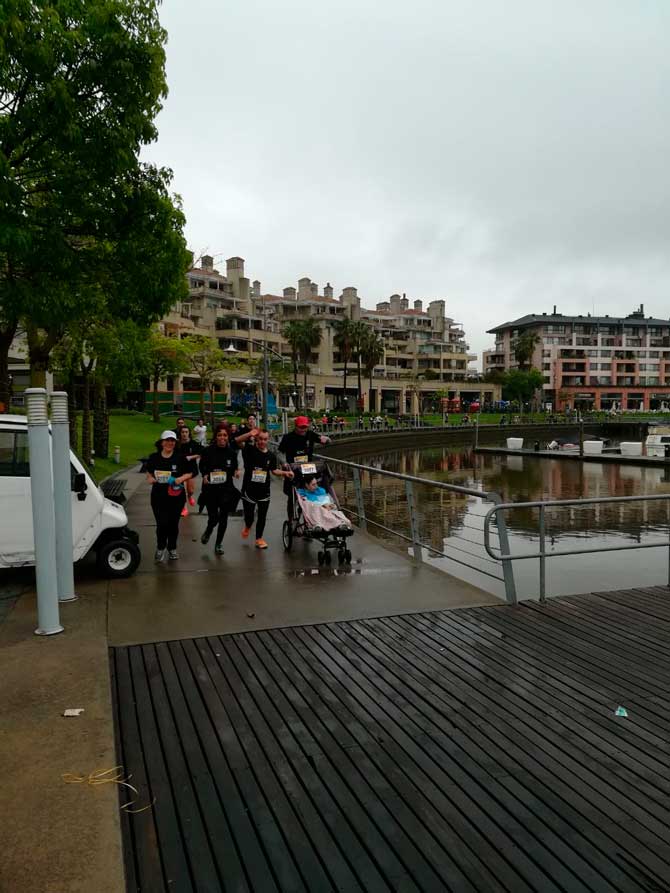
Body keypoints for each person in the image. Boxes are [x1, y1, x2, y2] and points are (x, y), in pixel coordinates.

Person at [236, 427, 293, 549]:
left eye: (265, 439)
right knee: (250, 517)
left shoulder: (271, 456)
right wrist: (249, 434)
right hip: (249, 490)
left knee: (262, 516)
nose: (262, 442)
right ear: (256, 439)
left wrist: (285, 473)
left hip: (264, 491)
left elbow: (274, 470)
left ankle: (259, 539)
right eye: (260, 439)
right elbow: (237, 441)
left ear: (268, 440)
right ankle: (247, 526)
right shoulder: (249, 450)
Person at [145, 431, 194, 561]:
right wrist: (150, 478)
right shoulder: (154, 457)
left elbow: (191, 473)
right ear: (161, 442)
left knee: (173, 524)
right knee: (161, 524)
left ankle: (172, 548)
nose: (169, 443)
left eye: (172, 441)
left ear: (175, 443)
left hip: (176, 497)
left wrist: (181, 478)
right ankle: (160, 547)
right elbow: (149, 472)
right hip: (158, 497)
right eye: (167, 440)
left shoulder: (180, 458)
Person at [198, 427, 240, 554]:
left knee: (223, 518)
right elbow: (202, 466)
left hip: (226, 489)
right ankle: (209, 529)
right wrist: (205, 475)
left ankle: (218, 544)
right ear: (216, 436)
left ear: (228, 437)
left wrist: (236, 472)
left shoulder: (231, 453)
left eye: (225, 435)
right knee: (213, 517)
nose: (222, 437)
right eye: (220, 435)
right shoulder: (207, 451)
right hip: (210, 489)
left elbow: (234, 468)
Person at [278, 415, 329, 518]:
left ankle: (308, 517)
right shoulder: (288, 437)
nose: (303, 430)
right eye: (301, 427)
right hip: (292, 470)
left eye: (305, 427)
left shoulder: (310, 434)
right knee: (292, 497)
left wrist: (326, 439)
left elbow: (325, 440)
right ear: (296, 426)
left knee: (308, 494)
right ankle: (291, 520)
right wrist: (284, 462)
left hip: (307, 470)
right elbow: (279, 452)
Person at [176, 425, 202, 515]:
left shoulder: (193, 443)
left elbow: (201, 453)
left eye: (186, 432)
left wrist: (191, 457)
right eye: (183, 432)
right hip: (180, 470)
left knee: (190, 490)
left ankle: (190, 496)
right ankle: (184, 508)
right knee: (182, 490)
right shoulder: (177, 444)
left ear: (189, 433)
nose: (184, 434)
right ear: (180, 433)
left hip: (191, 469)